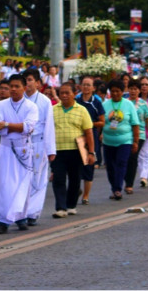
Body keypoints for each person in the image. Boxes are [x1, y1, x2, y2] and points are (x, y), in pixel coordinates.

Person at [0, 74, 39, 234]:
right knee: (2, 184)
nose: (14, 89)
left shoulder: (31, 107)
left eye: (17, 86)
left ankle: (21, 216)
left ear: (24, 88)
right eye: (11, 87)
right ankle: (1, 220)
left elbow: (28, 127)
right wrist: (14, 126)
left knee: (22, 184)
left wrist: (8, 124)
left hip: (23, 149)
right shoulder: (2, 105)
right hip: (5, 149)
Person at [51, 83, 95, 218]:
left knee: (75, 179)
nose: (64, 95)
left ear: (74, 94)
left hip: (76, 151)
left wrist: (91, 152)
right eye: (61, 93)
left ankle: (71, 206)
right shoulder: (53, 110)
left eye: (67, 93)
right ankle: (60, 207)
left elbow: (88, 132)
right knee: (58, 179)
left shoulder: (81, 110)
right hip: (57, 150)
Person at [22, 70, 56, 226]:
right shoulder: (19, 100)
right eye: (25, 80)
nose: (27, 83)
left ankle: (33, 212)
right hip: (21, 144)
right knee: (23, 179)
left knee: (38, 179)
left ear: (37, 83)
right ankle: (21, 211)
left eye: (30, 80)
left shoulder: (44, 101)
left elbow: (49, 126)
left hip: (38, 142)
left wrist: (51, 150)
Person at [101, 79, 140, 200]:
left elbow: (135, 124)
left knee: (121, 163)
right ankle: (114, 187)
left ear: (123, 92)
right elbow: (101, 121)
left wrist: (135, 141)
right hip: (108, 141)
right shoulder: (105, 105)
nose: (115, 94)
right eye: (113, 91)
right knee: (110, 166)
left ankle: (117, 189)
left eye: (118, 91)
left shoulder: (128, 105)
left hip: (125, 140)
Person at [75, 76, 105, 205]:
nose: (86, 87)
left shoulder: (96, 102)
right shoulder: (76, 100)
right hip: (76, 137)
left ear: (93, 88)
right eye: (84, 84)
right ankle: (76, 189)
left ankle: (86, 196)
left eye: (88, 85)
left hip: (90, 136)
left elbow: (102, 122)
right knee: (76, 165)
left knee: (88, 166)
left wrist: (90, 124)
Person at [124, 79, 148, 195]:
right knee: (124, 158)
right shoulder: (124, 102)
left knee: (132, 157)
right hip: (124, 134)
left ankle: (129, 184)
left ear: (139, 91)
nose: (133, 91)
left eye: (135, 89)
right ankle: (124, 180)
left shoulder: (143, 104)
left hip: (139, 135)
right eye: (131, 89)